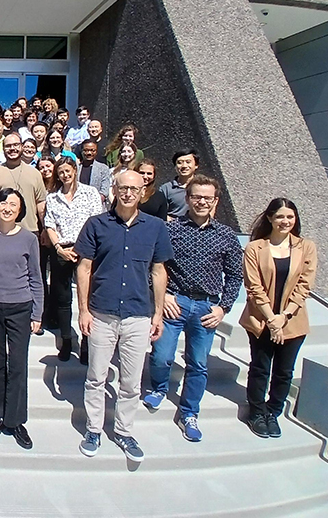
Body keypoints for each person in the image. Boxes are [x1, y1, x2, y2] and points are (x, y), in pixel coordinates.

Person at [75, 170, 173, 463]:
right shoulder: (96, 225)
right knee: (96, 376)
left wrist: (157, 314)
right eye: (123, 188)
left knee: (131, 382)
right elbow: (84, 268)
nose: (129, 193)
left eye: (135, 188)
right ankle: (93, 429)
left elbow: (158, 271)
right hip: (102, 312)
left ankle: (124, 431)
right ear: (114, 190)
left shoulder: (155, 228)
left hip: (138, 314)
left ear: (143, 192)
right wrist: (82, 309)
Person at [143, 175, 243, 442]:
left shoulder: (226, 235)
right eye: (196, 196)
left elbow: (235, 276)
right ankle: (160, 387)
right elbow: (154, 265)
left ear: (215, 202)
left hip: (207, 307)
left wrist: (224, 308)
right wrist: (162, 297)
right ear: (187, 199)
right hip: (175, 302)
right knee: (161, 356)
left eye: (207, 198)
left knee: (198, 363)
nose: (201, 201)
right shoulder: (170, 230)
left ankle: (189, 413)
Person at [241, 198, 317, 439]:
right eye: (280, 217)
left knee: (284, 371)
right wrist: (271, 318)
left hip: (292, 320)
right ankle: (256, 411)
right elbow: (253, 287)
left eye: (290, 217)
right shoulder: (255, 248)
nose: (285, 222)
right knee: (260, 367)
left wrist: (283, 317)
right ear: (270, 219)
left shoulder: (306, 247)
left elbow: (304, 286)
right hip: (261, 319)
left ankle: (273, 412)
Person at [0, 188, 44, 449]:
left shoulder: (28, 239)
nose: (8, 208)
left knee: (17, 364)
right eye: (3, 202)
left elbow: (36, 277)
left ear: (20, 209)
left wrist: (37, 312)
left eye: (13, 204)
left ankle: (15, 420)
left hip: (20, 306)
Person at [44, 157, 104, 363]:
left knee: (86, 298)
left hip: (87, 250)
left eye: (68, 171)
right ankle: (67, 340)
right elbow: (50, 225)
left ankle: (86, 343)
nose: (65, 175)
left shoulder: (90, 193)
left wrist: (87, 248)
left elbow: (98, 221)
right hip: (62, 249)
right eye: (61, 172)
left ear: (75, 170)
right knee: (62, 299)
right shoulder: (53, 197)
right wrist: (59, 248)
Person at [0, 133, 47, 234]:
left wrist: (45, 229)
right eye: (8, 146)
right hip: (1, 232)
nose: (12, 148)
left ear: (22, 147)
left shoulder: (35, 173)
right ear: (3, 149)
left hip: (30, 230)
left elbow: (41, 203)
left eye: (16, 145)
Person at [159, 148, 200, 219]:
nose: (184, 166)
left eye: (188, 162)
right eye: (180, 162)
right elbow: (160, 212)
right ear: (175, 167)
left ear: (196, 165)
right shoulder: (166, 189)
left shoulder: (203, 186)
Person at [76, 140, 111, 206]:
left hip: (97, 205)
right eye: (86, 150)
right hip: (78, 204)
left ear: (96, 152)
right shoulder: (76, 168)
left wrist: (93, 202)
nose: (89, 153)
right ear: (82, 151)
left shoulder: (103, 168)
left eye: (92, 150)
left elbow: (105, 191)